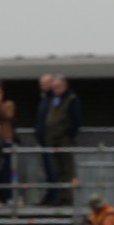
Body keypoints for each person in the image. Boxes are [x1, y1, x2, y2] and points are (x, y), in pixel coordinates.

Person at [45, 75, 82, 206]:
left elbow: (76, 120)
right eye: (53, 88)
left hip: (65, 141)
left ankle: (68, 197)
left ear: (64, 86)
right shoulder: (54, 100)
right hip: (53, 140)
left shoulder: (72, 100)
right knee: (58, 170)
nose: (55, 90)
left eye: (57, 87)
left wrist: (68, 135)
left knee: (67, 170)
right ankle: (61, 196)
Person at [35, 73, 57, 206]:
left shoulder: (54, 99)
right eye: (41, 83)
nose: (42, 86)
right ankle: (49, 195)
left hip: (51, 140)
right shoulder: (44, 98)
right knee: (47, 170)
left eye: (44, 83)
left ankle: (54, 196)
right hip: (43, 140)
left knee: (53, 169)